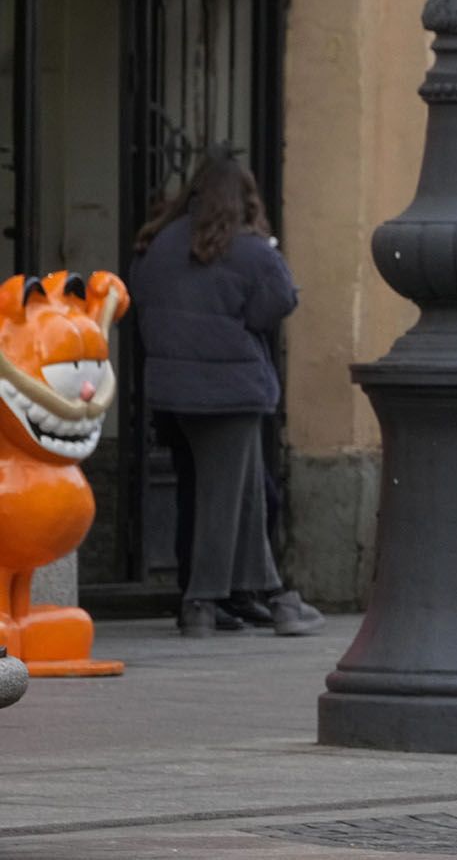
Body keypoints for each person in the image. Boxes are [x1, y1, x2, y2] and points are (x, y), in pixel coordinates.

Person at [128, 148, 325, 638]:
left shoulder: (156, 243)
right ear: (243, 200)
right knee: (226, 499)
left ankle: (258, 593)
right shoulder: (254, 252)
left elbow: (141, 308)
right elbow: (272, 309)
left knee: (220, 494)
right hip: (230, 393)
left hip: (170, 392)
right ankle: (207, 600)